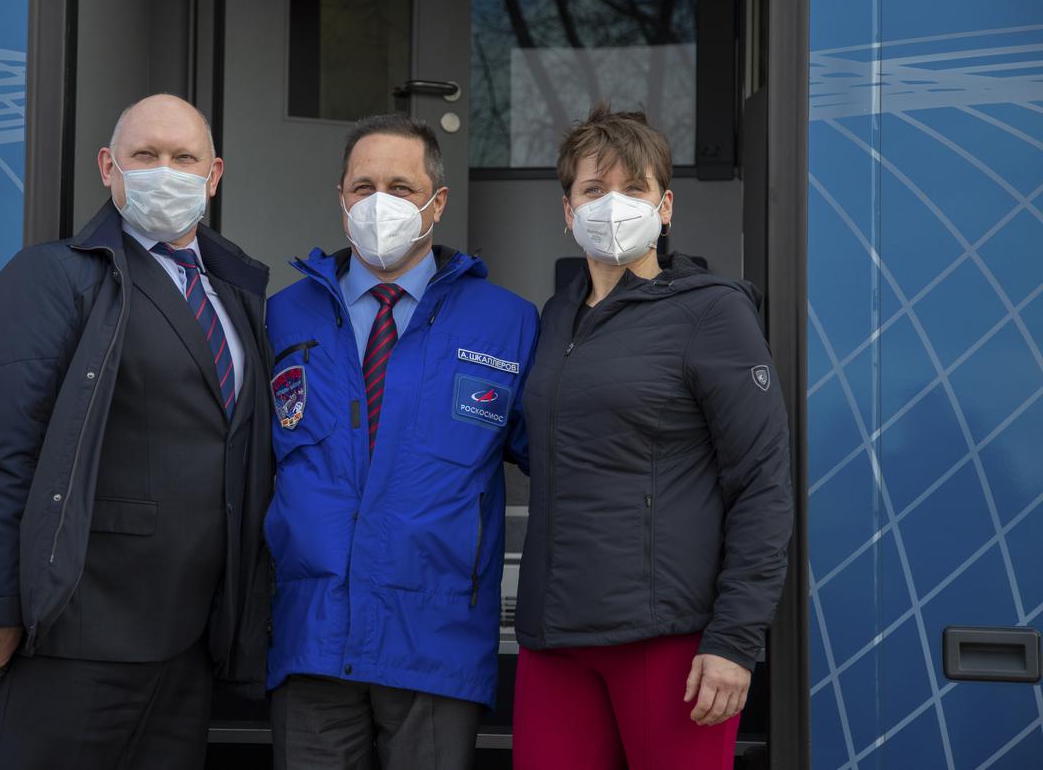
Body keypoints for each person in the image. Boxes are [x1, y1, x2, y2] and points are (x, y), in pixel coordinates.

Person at [0, 94, 274, 769]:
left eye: (184, 157)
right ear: (107, 166)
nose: (165, 171)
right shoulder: (54, 275)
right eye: (145, 155)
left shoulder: (237, 293)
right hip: (78, 634)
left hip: (189, 644)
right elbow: (1, 450)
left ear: (213, 174)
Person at [513, 104, 793, 770]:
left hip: (670, 642)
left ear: (664, 207)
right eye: (592, 189)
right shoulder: (556, 318)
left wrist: (733, 639)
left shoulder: (712, 312)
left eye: (633, 189)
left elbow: (762, 484)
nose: (612, 205)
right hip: (554, 639)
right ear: (567, 209)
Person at [264, 114, 539, 769]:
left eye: (400, 185)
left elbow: (569, 467)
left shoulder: (507, 323)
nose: (378, 202)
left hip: (436, 644)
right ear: (340, 197)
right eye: (363, 186)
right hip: (312, 639)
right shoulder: (281, 315)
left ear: (436, 203)